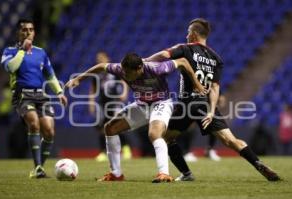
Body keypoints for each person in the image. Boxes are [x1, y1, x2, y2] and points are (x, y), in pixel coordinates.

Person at [145, 18, 280, 181]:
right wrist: (210, 111)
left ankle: (187, 174)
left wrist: (145, 61)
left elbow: (163, 55)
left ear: (194, 34)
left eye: (188, 32)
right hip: (205, 105)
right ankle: (257, 163)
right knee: (231, 141)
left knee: (165, 138)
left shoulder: (185, 49)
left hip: (187, 104)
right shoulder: (216, 58)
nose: (187, 35)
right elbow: (215, 88)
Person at [65, 53, 206, 183]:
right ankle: (116, 174)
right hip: (142, 105)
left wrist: (197, 84)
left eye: (128, 73)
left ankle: (164, 173)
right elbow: (102, 67)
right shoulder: (121, 69)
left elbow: (182, 61)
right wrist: (79, 78)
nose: (125, 75)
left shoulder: (156, 68)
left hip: (161, 103)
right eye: (124, 72)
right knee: (110, 128)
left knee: (154, 133)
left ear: (139, 68)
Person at [1, 19, 67, 178]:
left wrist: (59, 92)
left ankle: (40, 168)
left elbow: (50, 75)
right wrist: (22, 51)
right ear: (19, 32)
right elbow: (10, 68)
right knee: (34, 123)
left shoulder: (41, 52)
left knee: (49, 131)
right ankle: (37, 166)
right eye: (24, 30)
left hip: (40, 95)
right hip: (22, 94)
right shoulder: (9, 51)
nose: (28, 32)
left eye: (31, 29)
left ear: (34, 32)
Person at [89, 51, 132, 161]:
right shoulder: (96, 73)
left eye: (101, 57)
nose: (99, 60)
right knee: (102, 128)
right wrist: (91, 103)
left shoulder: (113, 70)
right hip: (103, 103)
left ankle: (126, 149)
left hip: (115, 101)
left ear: (107, 58)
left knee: (117, 124)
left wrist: (124, 92)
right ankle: (103, 152)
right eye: (98, 58)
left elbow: (124, 80)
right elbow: (92, 89)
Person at [179, 95, 226, 162]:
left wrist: (219, 94)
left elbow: (214, 87)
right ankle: (184, 152)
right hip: (193, 98)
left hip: (205, 99)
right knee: (189, 125)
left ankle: (209, 150)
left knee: (213, 123)